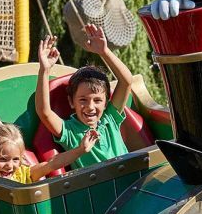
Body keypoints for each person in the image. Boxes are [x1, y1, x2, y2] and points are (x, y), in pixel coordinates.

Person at [36, 24, 136, 169]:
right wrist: (44, 70)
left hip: (129, 177)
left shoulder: (110, 118)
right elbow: (44, 111)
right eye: (83, 100)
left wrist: (104, 51)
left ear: (106, 102)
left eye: (97, 100)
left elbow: (126, 81)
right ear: (71, 102)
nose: (90, 107)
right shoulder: (70, 131)